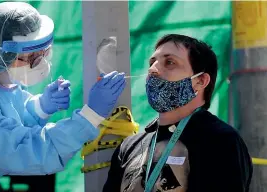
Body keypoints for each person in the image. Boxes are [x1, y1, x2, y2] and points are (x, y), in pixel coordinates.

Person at [0, 2, 126, 192]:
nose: (40, 64)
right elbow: (27, 152)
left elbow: (0, 109)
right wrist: (90, 116)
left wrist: (38, 107)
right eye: (31, 58)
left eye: (43, 53)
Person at [103, 34, 253, 192]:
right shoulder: (129, 146)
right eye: (152, 62)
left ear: (200, 81)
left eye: (169, 62)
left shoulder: (221, 140)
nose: (152, 70)